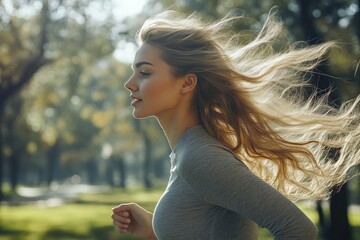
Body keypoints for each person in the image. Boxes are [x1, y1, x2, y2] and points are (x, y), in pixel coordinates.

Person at [111, 10, 360, 240]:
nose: (130, 84)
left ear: (186, 83)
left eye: (144, 73)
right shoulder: (188, 152)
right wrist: (155, 228)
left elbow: (298, 229)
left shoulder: (200, 158)